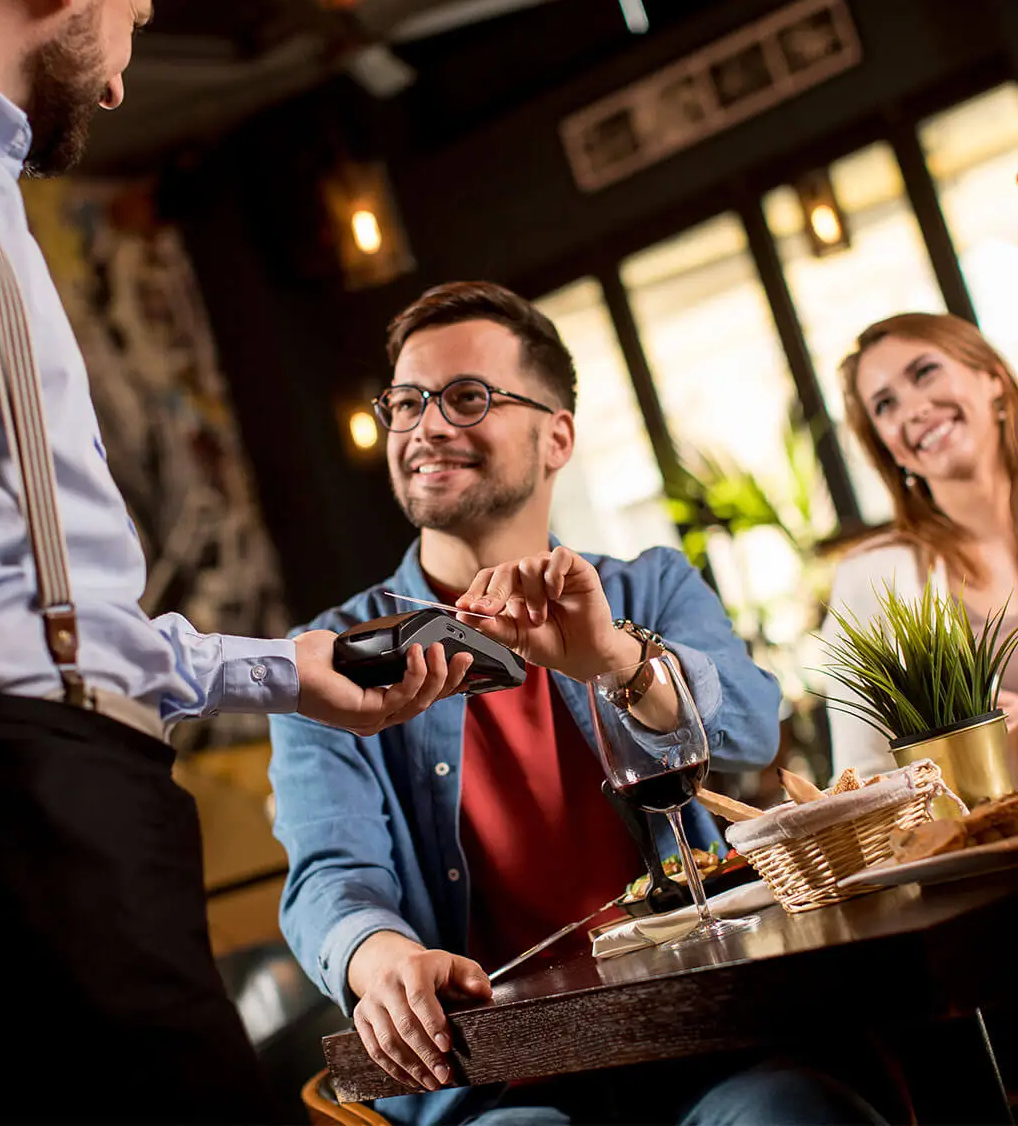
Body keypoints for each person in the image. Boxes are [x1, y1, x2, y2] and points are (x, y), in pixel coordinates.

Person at [0, 0, 470, 1123]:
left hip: (49, 785)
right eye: (131, 22)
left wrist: (278, 673)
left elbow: (28, 602)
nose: (120, 79)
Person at [269, 282, 883, 1125]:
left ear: (557, 435)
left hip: (710, 1041)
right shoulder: (334, 656)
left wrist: (614, 657)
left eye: (467, 397)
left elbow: (746, 728)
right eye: (406, 403)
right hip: (497, 1085)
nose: (426, 427)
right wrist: (377, 959)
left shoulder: (648, 587)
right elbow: (329, 877)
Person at [826, 312, 1018, 779]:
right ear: (889, 449)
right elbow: (858, 778)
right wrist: (944, 757)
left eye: (925, 372)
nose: (913, 410)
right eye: (885, 405)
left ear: (991, 377)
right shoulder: (871, 578)